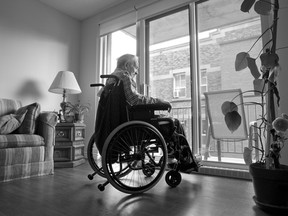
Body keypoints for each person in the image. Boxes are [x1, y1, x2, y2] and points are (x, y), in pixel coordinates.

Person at [103, 53, 199, 173]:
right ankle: (183, 160)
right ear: (127, 65)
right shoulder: (124, 76)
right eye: (136, 67)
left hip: (122, 122)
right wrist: (159, 101)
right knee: (174, 123)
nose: (137, 71)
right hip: (135, 124)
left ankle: (175, 157)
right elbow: (134, 100)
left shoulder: (111, 79)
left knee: (167, 122)